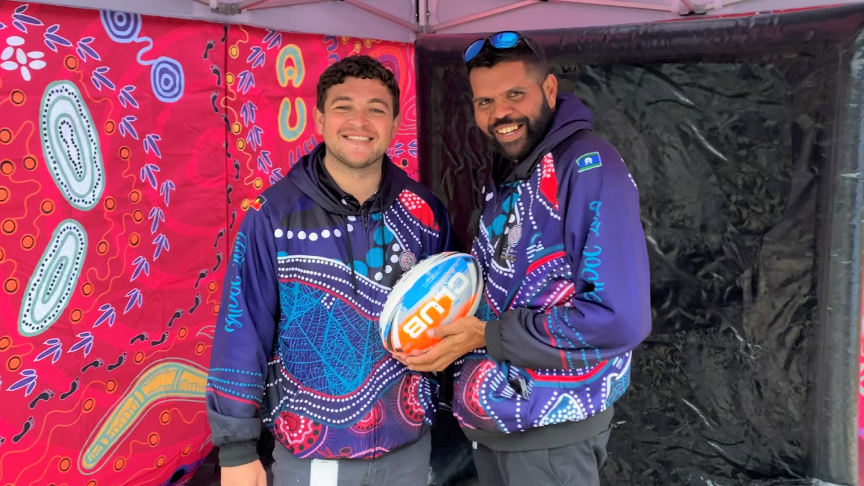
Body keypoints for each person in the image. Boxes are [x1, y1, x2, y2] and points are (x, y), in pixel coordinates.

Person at [404, 32, 651, 486]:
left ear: (550, 91)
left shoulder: (588, 166)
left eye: (514, 94)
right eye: (485, 102)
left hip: (551, 441)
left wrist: (487, 336)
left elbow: (620, 320)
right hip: (498, 435)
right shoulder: (512, 173)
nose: (500, 113)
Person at [207, 55, 455, 486]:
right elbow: (242, 328)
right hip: (313, 455)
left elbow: (454, 311)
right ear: (320, 118)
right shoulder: (273, 215)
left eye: (376, 108)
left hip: (410, 448)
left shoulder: (425, 213)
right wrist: (236, 448)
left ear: (396, 123)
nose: (360, 121)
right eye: (343, 106)